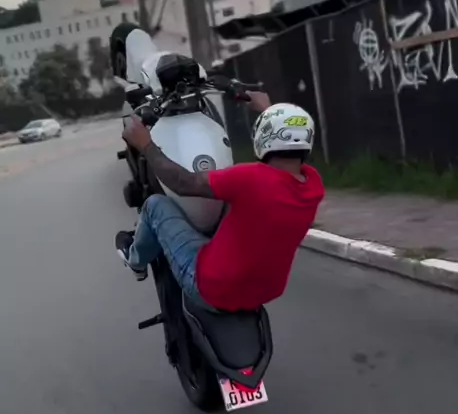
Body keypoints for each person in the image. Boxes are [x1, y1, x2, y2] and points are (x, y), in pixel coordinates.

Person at [115, 92, 325, 312]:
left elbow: (183, 183)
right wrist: (270, 112)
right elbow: (287, 144)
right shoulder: (313, 186)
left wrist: (146, 144)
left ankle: (136, 261)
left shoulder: (250, 179)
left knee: (154, 205)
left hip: (210, 287)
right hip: (265, 292)